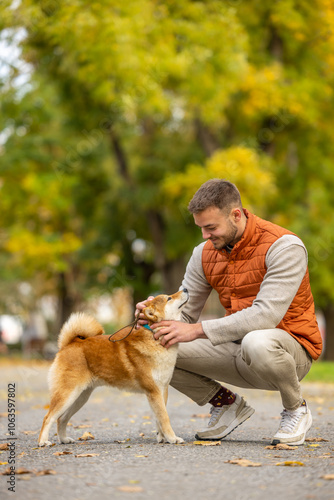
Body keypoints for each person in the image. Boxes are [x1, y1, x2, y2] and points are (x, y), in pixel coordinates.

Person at [136, 179, 322, 445]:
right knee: (157, 344)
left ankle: (295, 409)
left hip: (287, 351)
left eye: (211, 227)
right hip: (233, 349)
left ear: (236, 214)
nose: (205, 236)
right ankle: (226, 404)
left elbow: (265, 316)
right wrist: (151, 316)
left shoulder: (284, 247)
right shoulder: (203, 254)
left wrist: (197, 330)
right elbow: (184, 318)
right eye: (201, 228)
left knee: (256, 340)